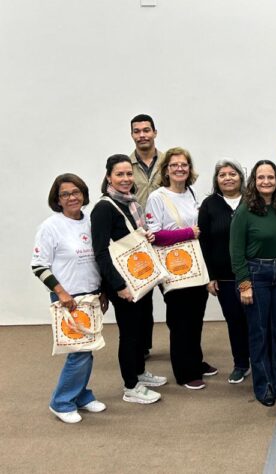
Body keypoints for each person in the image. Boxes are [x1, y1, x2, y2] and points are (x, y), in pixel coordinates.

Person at [32, 174, 108, 423]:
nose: (72, 197)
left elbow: (99, 257)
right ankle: (61, 402)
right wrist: (62, 293)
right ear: (57, 200)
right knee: (79, 352)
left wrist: (103, 291)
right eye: (65, 194)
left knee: (87, 349)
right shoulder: (50, 227)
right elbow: (38, 265)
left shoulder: (90, 222)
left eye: (76, 192)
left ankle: (81, 395)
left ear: (83, 194)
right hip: (69, 298)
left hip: (91, 296)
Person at [91, 154, 167, 404]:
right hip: (122, 282)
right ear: (108, 177)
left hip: (139, 277)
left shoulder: (131, 202)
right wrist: (119, 285)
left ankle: (140, 372)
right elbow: (100, 252)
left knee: (142, 326)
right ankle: (131, 386)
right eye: (119, 174)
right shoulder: (104, 208)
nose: (125, 179)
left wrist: (147, 236)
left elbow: (131, 238)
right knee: (129, 332)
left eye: (128, 174)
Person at [145, 147, 214, 390]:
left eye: (184, 164)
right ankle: (185, 372)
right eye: (174, 165)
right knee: (180, 320)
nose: (179, 168)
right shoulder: (157, 197)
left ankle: (195, 361)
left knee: (195, 316)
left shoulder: (190, 193)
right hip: (173, 267)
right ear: (165, 170)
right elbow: (154, 235)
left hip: (195, 265)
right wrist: (187, 233)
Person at [230, 160, 276, 407]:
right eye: (261, 177)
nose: (266, 182)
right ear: (253, 181)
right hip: (256, 275)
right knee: (259, 333)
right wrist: (244, 284)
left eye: (270, 177)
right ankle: (263, 386)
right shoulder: (245, 210)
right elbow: (236, 251)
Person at [198, 160, 251, 384]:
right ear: (216, 180)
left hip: (254, 273)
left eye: (232, 174)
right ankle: (241, 364)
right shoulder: (209, 204)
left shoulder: (252, 200)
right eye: (222, 175)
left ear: (241, 177)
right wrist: (209, 276)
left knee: (257, 321)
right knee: (235, 321)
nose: (228, 178)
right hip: (225, 277)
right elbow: (204, 242)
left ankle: (262, 360)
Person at [129, 113, 164, 359]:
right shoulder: (125, 166)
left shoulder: (169, 161)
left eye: (146, 130)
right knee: (142, 300)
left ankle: (183, 348)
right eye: (137, 131)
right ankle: (142, 348)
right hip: (138, 242)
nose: (142, 135)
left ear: (154, 133)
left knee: (175, 297)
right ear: (132, 135)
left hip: (165, 240)